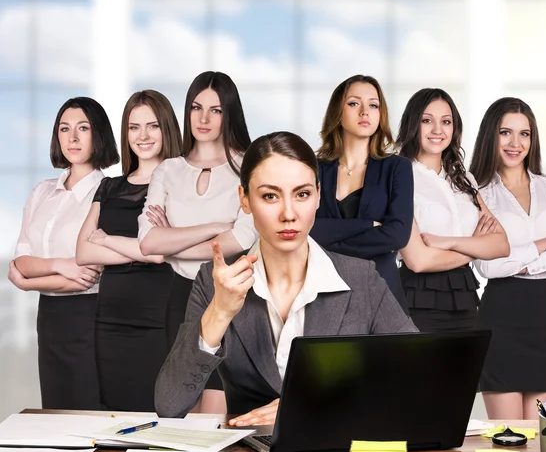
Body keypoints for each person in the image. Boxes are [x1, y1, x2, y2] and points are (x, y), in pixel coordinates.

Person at [155, 131, 418, 424]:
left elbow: (418, 378)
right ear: (245, 199)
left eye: (302, 194)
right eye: (270, 196)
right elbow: (170, 404)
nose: (289, 214)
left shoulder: (361, 279)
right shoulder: (215, 280)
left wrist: (309, 404)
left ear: (318, 195)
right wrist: (220, 311)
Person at [138, 71, 257, 412]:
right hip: (176, 294)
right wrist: (215, 226)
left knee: (220, 411)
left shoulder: (247, 164)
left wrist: (172, 242)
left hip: (229, 293)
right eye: (196, 107)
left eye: (216, 110)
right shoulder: (168, 170)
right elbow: (148, 242)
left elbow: (243, 236)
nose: (203, 118)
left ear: (230, 114)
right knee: (178, 405)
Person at [470, 97, 546, 419]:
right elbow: (488, 266)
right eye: (505, 132)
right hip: (501, 319)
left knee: (542, 439)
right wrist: (544, 244)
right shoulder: (478, 193)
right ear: (490, 136)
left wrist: (521, 261)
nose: (515, 143)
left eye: (525, 134)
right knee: (509, 438)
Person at [8, 97, 119, 410]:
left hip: (91, 317)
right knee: (55, 413)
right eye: (64, 128)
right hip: (50, 320)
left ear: (98, 134)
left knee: (90, 412)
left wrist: (29, 282)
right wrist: (62, 264)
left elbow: (87, 278)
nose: (72, 137)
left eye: (83, 128)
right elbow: (21, 261)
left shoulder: (110, 192)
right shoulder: (42, 191)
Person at [76, 90, 182, 411]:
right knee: (115, 418)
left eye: (152, 126)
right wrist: (142, 248)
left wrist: (105, 239)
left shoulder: (180, 184)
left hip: (158, 318)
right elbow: (82, 252)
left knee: (159, 415)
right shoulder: (109, 186)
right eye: (134, 127)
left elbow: (159, 254)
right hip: (109, 320)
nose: (143, 136)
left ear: (167, 129)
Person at [395, 88, 510, 332]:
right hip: (417, 299)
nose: (438, 130)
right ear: (412, 124)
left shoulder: (463, 178)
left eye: (446, 122)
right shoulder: (400, 176)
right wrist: (475, 248)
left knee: (465, 370)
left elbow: (501, 245)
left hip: (465, 299)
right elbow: (418, 261)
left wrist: (446, 242)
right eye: (427, 120)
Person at [310, 75, 413, 311]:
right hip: (325, 295)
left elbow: (397, 235)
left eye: (373, 105)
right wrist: (368, 225)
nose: (365, 112)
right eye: (354, 103)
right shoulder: (314, 169)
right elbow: (307, 230)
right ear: (338, 111)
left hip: (382, 294)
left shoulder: (397, 168)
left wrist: (329, 244)